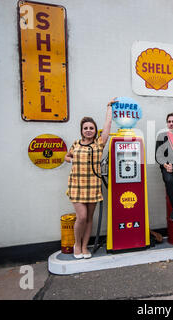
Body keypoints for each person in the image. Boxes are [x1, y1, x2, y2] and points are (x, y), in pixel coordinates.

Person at [64, 98, 116, 259]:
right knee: (82, 217)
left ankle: (85, 246)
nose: (88, 130)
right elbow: (67, 157)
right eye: (85, 128)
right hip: (77, 186)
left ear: (95, 130)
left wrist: (109, 108)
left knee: (89, 219)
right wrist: (72, 160)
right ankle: (77, 245)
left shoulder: (98, 144)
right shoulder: (76, 144)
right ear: (81, 130)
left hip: (93, 185)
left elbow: (107, 126)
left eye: (91, 128)